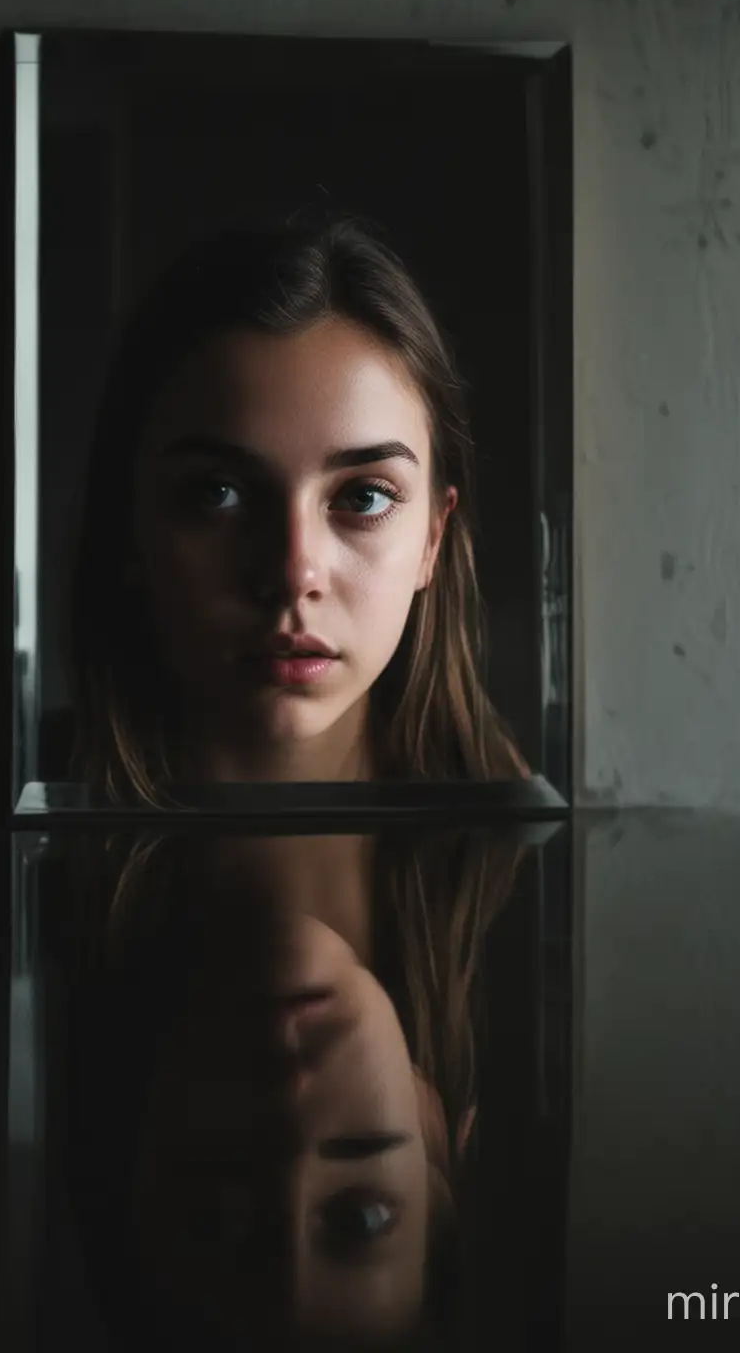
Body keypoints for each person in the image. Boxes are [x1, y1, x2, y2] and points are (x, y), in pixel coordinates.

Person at [43, 208, 534, 1347]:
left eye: (362, 496)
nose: (293, 574)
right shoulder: (3, 837)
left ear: (431, 539)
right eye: (219, 493)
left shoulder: (537, 879)